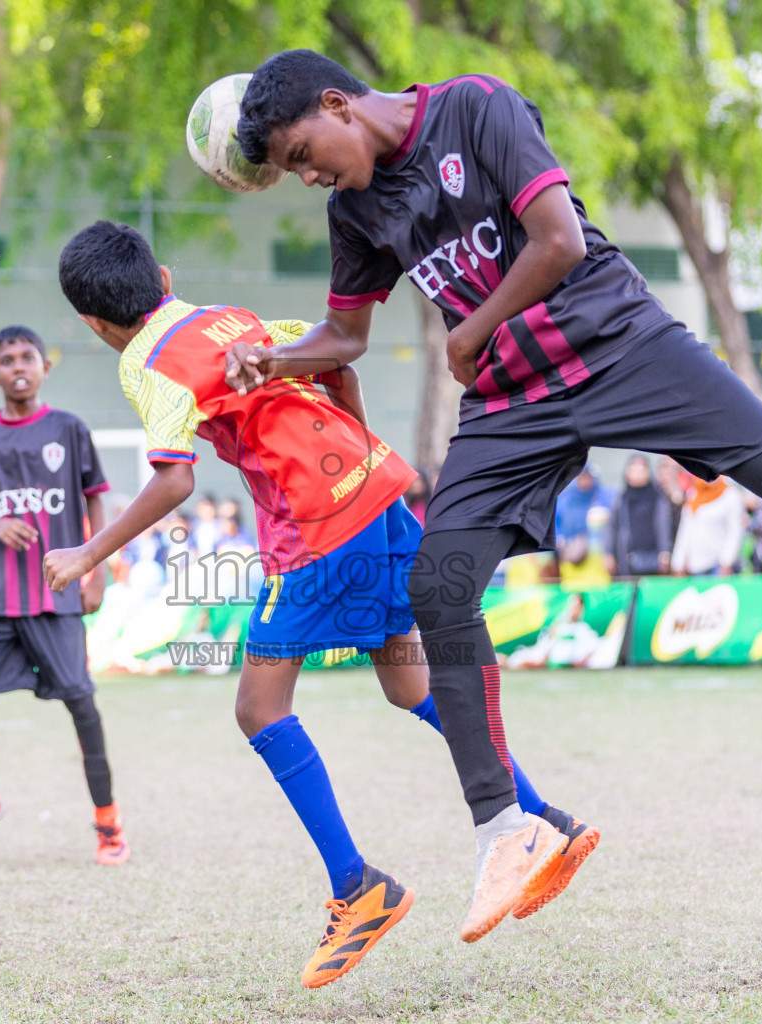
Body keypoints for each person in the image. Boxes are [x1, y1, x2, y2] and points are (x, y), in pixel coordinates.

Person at [230, 49, 762, 940]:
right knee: (438, 581)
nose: (308, 175)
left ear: (338, 103)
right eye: (293, 171)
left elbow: (560, 241)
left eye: (303, 152)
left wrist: (471, 325)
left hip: (622, 342)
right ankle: (506, 829)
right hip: (513, 400)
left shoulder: (476, 109)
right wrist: (276, 357)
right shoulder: (355, 209)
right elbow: (346, 335)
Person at [50, 221, 594, 986]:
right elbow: (337, 361)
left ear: (94, 326)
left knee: (258, 709)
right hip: (376, 498)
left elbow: (174, 480)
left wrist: (86, 552)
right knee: (410, 685)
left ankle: (358, 887)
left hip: (315, 531)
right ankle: (548, 822)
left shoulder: (147, 364)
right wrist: (363, 466)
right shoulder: (228, 320)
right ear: (165, 278)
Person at [0, 325, 125, 863]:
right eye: (6, 359)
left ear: (46, 367)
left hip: (56, 595)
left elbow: (96, 501)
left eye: (27, 357)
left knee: (82, 705)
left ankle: (108, 822)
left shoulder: (68, 429)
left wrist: (99, 569)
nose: (18, 366)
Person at [607, 455, 672, 576]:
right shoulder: (621, 500)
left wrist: (665, 553)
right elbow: (612, 528)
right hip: (626, 562)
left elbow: (664, 527)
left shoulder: (658, 498)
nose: (637, 474)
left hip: (654, 561)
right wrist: (609, 553)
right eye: (633, 470)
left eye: (641, 470)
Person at [670, 473, 746, 576]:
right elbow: (686, 530)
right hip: (694, 566)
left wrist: (727, 562)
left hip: (718, 567)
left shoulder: (730, 495)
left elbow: (735, 531)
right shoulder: (693, 493)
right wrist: (678, 562)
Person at [553, 467, 613, 571]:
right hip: (569, 556)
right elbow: (555, 522)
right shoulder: (565, 499)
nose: (584, 480)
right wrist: (559, 537)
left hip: (598, 558)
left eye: (588, 477)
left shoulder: (604, 497)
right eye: (581, 477)